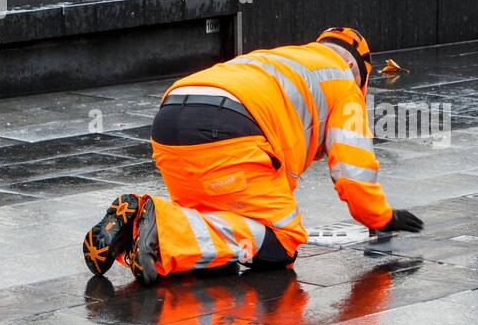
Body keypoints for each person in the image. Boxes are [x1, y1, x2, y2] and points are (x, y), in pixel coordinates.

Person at [82, 27, 424, 286]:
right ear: (355, 67)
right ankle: (163, 235)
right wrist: (380, 217)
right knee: (281, 243)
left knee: (215, 219)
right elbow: (353, 169)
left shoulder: (282, 59)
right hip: (229, 130)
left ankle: (136, 226)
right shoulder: (343, 81)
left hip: (171, 120)